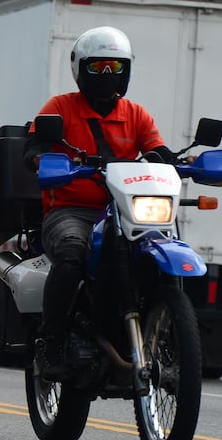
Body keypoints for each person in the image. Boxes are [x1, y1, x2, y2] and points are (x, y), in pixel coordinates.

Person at [24, 26, 178, 380]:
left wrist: (175, 161)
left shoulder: (136, 114)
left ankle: (171, 329)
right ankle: (52, 339)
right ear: (81, 68)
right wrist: (42, 161)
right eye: (98, 67)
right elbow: (33, 149)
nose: (107, 75)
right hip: (71, 210)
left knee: (159, 249)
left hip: (125, 210)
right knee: (73, 251)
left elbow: (156, 150)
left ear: (126, 70)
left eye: (114, 67)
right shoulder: (60, 108)